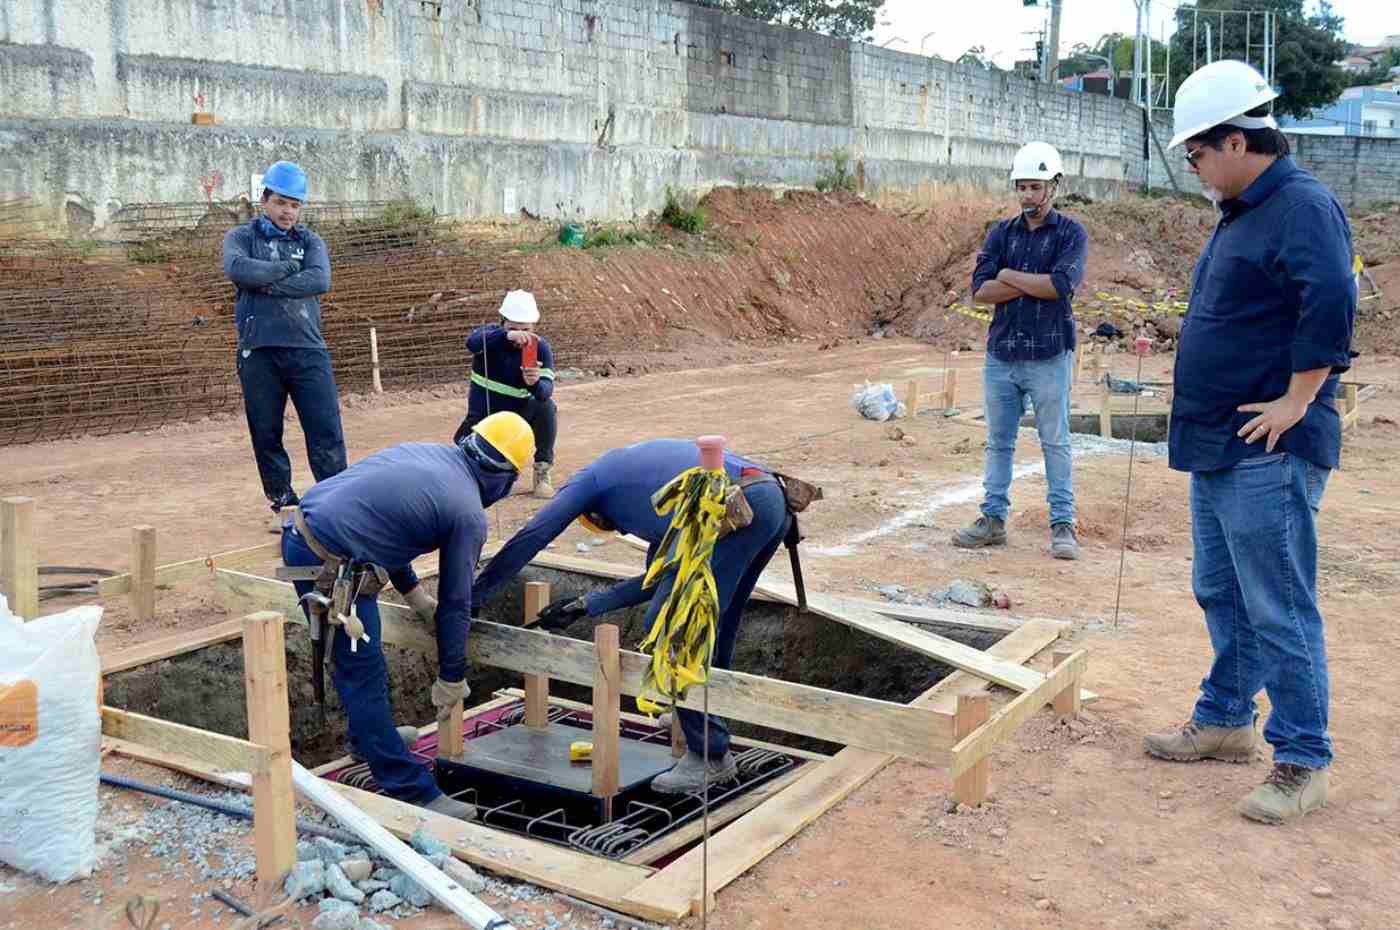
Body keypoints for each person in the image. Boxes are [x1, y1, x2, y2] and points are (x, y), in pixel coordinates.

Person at [1142, 60, 1356, 825]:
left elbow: (1332, 297)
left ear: (1236, 141)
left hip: (1267, 448)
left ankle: (1303, 759)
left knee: (1279, 605)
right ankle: (1228, 717)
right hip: (1218, 441)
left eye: (1196, 153)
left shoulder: (1301, 206)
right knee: (1221, 589)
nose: (1193, 167)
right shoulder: (1243, 211)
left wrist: (1301, 398)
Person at [472, 439, 792, 794]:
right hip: (767, 499)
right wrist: (584, 605)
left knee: (673, 624)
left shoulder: (589, 483)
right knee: (719, 617)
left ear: (596, 513)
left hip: (733, 504)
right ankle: (703, 721)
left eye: (617, 527)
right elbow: (656, 581)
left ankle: (710, 755)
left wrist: (476, 594)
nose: (624, 532)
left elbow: (533, 535)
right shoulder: (650, 493)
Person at [282, 412, 536, 820]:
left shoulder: (430, 455)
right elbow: (457, 601)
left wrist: (416, 597)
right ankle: (411, 789)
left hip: (305, 538)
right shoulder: (468, 511)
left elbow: (385, 531)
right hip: (327, 565)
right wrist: (451, 677)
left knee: (360, 664)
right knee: (363, 672)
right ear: (504, 479)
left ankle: (369, 738)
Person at [952, 141, 1088, 560]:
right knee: (998, 441)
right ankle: (993, 518)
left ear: (1054, 186)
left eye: (1035, 187)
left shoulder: (1070, 234)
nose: (1028, 196)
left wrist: (1008, 276)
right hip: (1003, 356)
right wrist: (1029, 280)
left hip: (1049, 354)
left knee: (1055, 441)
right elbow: (980, 291)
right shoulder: (1001, 233)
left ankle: (1062, 524)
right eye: (1022, 187)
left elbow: (1060, 286)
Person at [223, 161, 347, 520]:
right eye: (281, 202)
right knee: (266, 430)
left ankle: (335, 500)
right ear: (264, 200)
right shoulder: (241, 238)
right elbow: (238, 269)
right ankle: (283, 500)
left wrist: (264, 284)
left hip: (308, 350)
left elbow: (319, 281)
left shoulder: (310, 241)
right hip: (259, 351)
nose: (288, 211)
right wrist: (286, 270)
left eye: (295, 204)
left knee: (325, 428)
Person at [451, 290, 558, 499]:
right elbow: (471, 342)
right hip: (485, 416)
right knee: (462, 453)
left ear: (534, 327)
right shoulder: (489, 339)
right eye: (513, 328)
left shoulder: (541, 348)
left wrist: (535, 384)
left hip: (520, 418)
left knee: (546, 407)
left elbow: (545, 392)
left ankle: (543, 470)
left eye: (525, 329)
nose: (521, 335)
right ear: (502, 323)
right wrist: (506, 336)